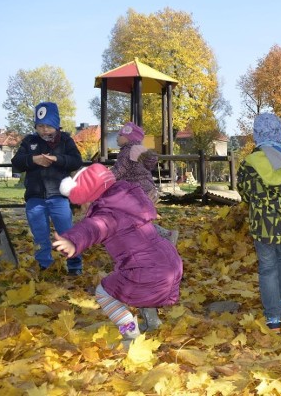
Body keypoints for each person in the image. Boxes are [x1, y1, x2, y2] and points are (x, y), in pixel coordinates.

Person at [53, 163, 183, 348]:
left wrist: (73, 240)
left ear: (90, 198)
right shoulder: (129, 203)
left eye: (80, 206)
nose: (82, 212)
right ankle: (152, 322)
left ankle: (129, 333)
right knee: (144, 290)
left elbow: (93, 228)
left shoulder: (107, 215)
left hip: (146, 269)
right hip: (171, 263)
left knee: (104, 293)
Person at [236, 113, 281, 333]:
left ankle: (273, 317)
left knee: (267, 267)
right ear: (280, 133)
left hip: (263, 225)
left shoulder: (249, 164)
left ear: (257, 134)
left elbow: (245, 193)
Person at [11, 102, 84, 275]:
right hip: (35, 197)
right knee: (39, 234)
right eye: (40, 126)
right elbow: (17, 163)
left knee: (66, 233)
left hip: (59, 197)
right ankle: (44, 265)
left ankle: (74, 265)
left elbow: (76, 160)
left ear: (57, 125)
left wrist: (57, 159)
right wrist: (33, 160)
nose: (44, 130)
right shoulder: (30, 141)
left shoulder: (65, 140)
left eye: (48, 126)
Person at [111, 122, 178, 245]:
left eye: (119, 135)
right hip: (147, 190)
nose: (117, 137)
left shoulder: (127, 151)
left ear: (127, 137)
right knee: (139, 221)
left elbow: (119, 170)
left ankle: (162, 237)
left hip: (136, 193)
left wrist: (105, 177)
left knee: (132, 221)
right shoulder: (139, 151)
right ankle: (162, 236)